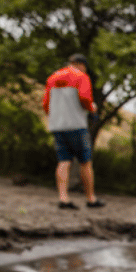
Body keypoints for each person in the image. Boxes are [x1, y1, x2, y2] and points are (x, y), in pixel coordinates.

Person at [42, 53, 103, 210]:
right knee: (85, 162)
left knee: (63, 161)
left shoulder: (52, 78)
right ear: (82, 65)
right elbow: (84, 98)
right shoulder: (81, 76)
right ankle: (91, 199)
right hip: (76, 125)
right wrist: (92, 109)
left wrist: (56, 117)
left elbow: (45, 104)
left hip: (57, 125)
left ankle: (64, 199)